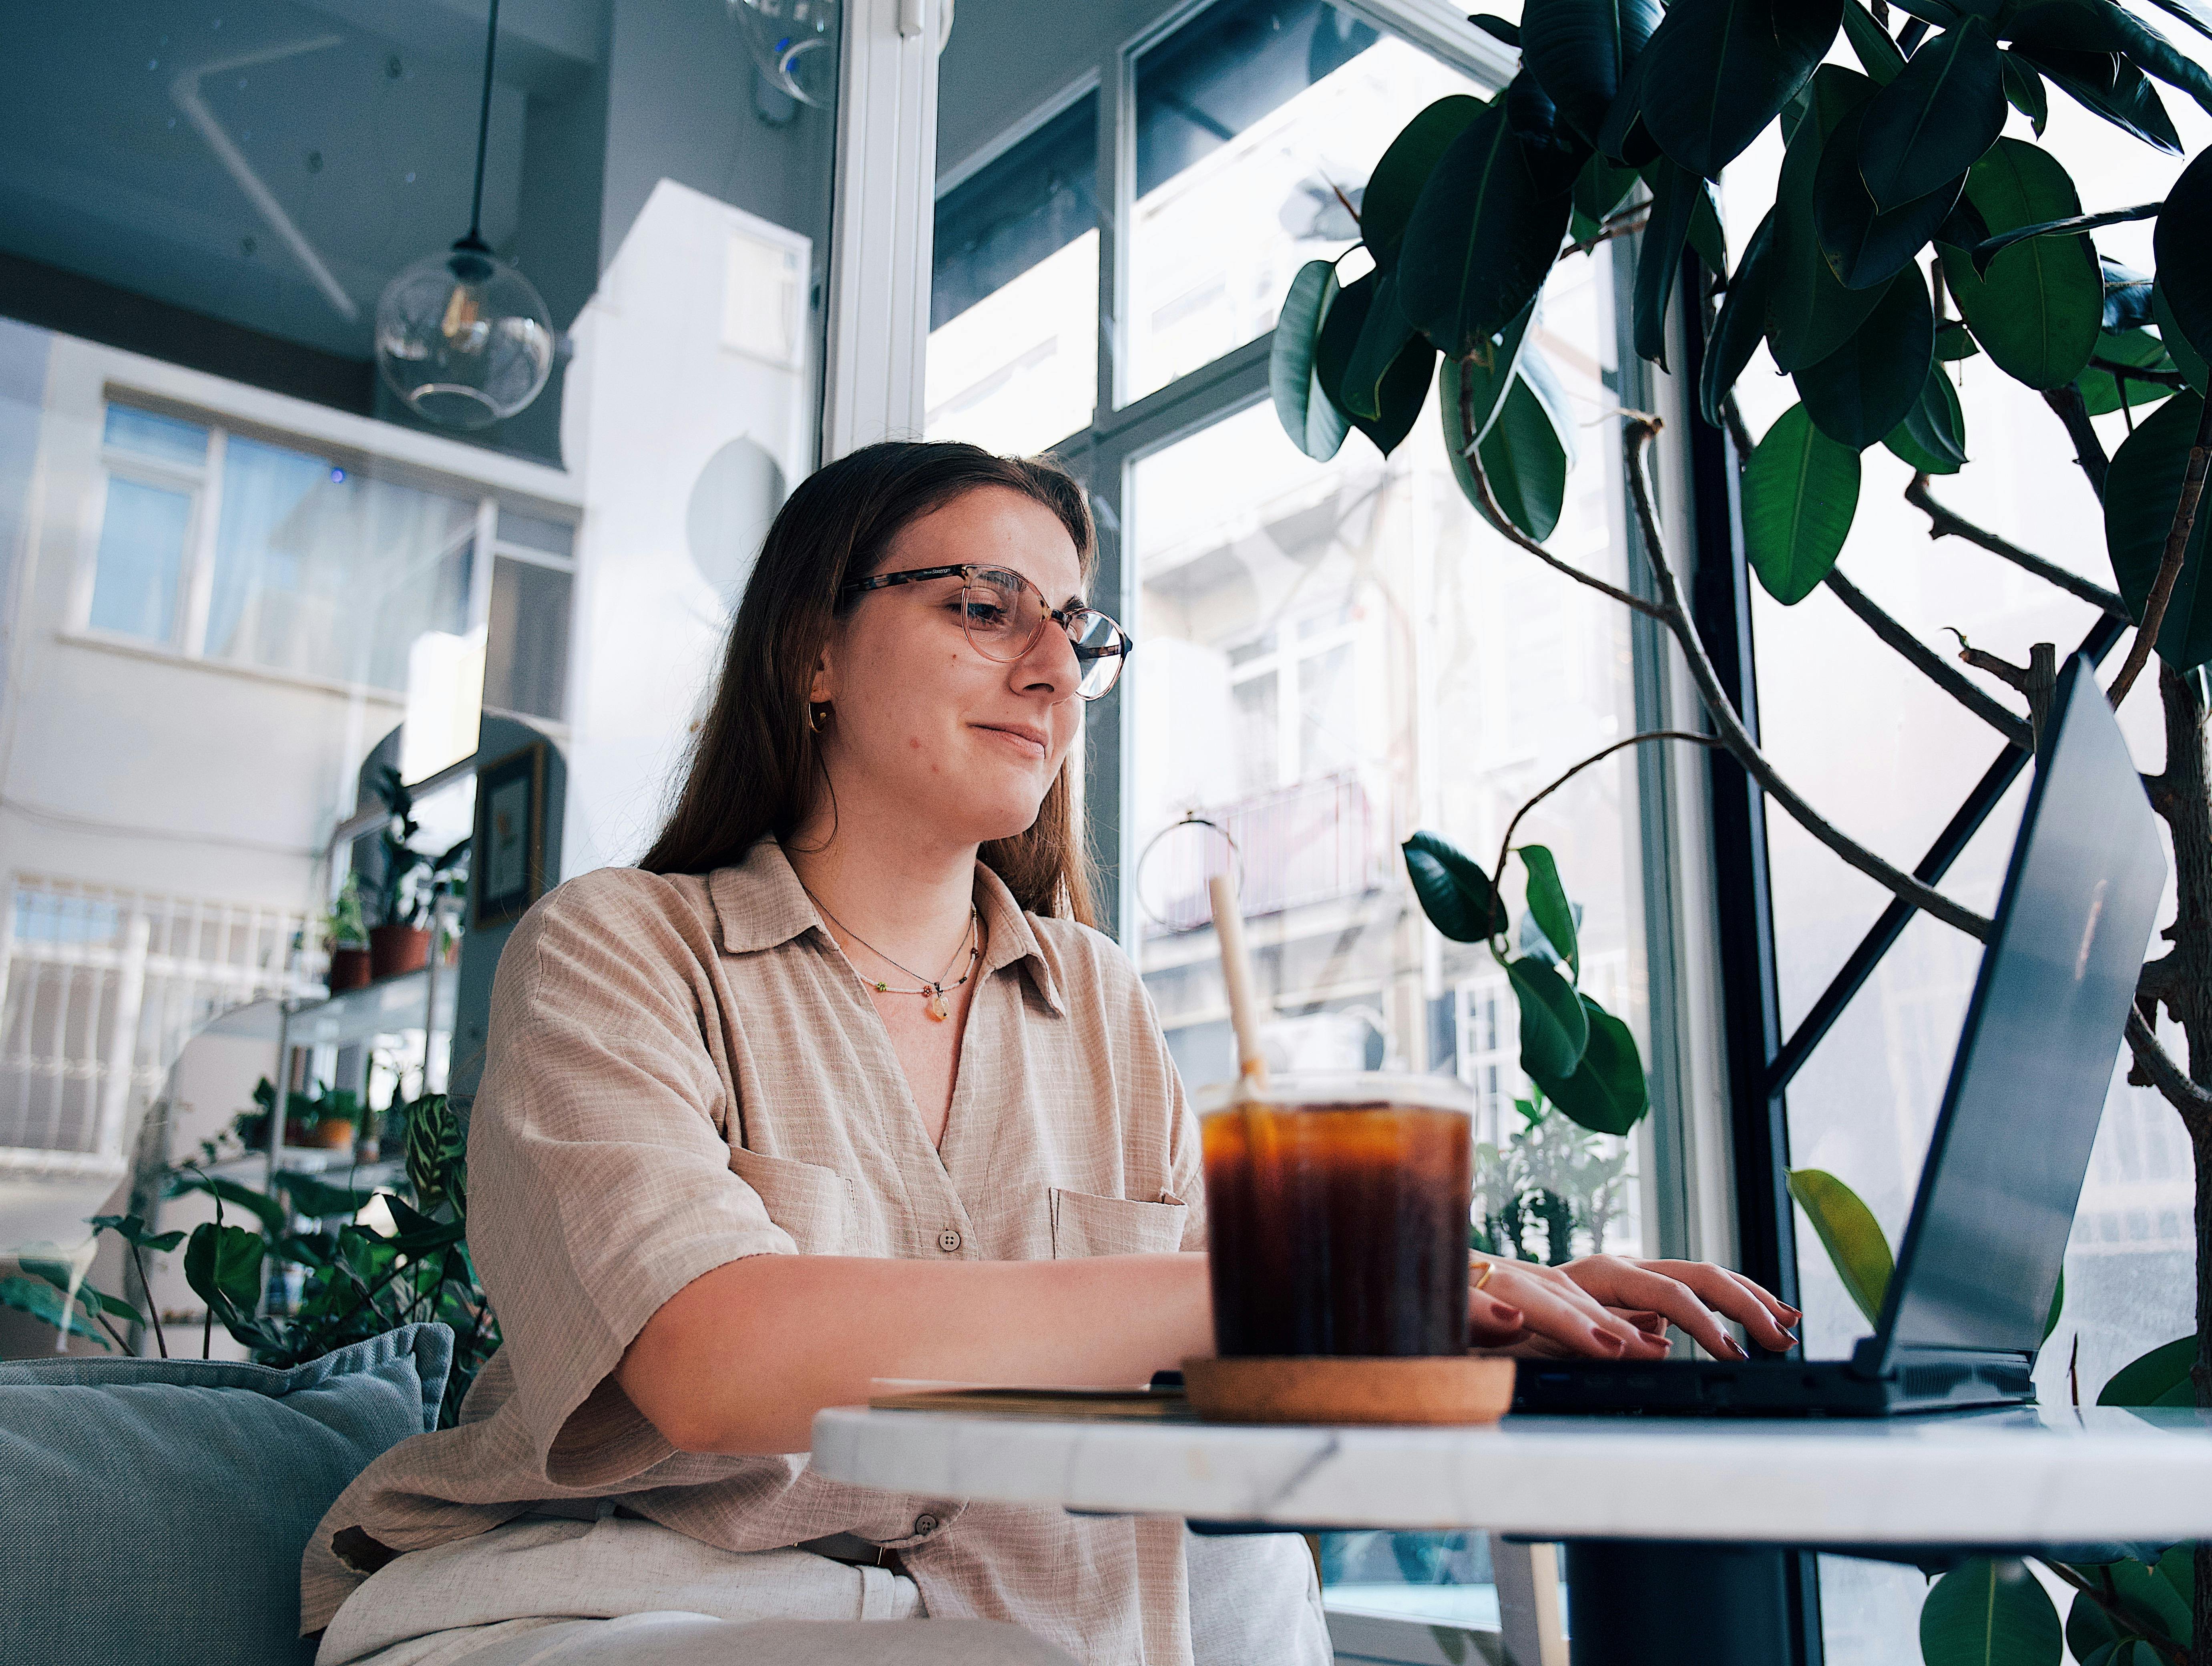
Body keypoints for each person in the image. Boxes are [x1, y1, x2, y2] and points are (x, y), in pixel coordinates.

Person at [300, 441, 1799, 1666]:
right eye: (983, 608)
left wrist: (1455, 1310)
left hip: (998, 1626)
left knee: (1219, 1592)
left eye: (1076, 631)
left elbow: (1221, 1340)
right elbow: (713, 1364)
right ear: (814, 648)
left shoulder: (1097, 1002)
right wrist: (1295, 1294)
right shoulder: (623, 947)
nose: (1053, 671)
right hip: (599, 1604)